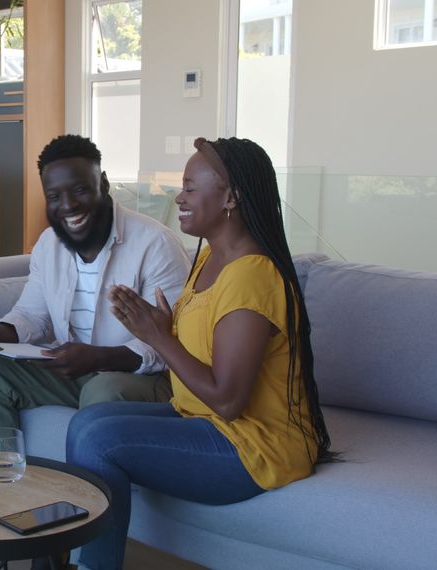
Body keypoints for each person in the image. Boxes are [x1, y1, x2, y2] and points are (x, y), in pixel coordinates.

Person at [66, 137, 335, 569]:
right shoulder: (210, 257)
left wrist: (160, 338)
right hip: (201, 418)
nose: (179, 197)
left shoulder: (251, 275)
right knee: (86, 422)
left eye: (190, 188)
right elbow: (206, 342)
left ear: (231, 198)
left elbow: (228, 400)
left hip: (252, 445)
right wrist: (165, 326)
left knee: (100, 440)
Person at [0, 134, 190, 445]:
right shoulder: (50, 244)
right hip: (76, 371)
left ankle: (87, 478)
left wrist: (98, 359)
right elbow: (32, 315)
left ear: (104, 183)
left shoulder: (155, 245)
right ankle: (0, 470)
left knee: (102, 389)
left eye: (80, 190)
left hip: (141, 378)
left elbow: (172, 344)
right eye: (54, 196)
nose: (68, 205)